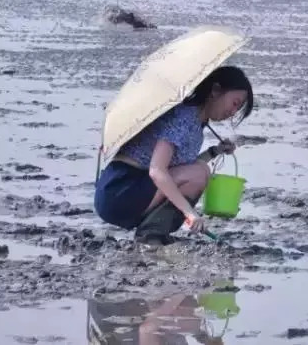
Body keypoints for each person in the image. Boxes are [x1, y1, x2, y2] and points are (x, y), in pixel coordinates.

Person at [93, 65, 254, 244]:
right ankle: (151, 235)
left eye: (237, 109)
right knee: (201, 173)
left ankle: (152, 232)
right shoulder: (183, 118)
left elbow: (183, 167)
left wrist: (215, 151)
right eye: (235, 103)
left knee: (200, 170)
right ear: (215, 90)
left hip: (133, 189)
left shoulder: (197, 122)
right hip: (120, 190)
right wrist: (189, 213)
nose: (232, 113)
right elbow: (157, 170)